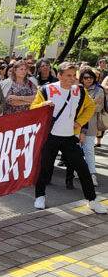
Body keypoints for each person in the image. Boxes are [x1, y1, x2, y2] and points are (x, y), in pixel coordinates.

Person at [31, 62, 106, 214]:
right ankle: (40, 196)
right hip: (50, 136)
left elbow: (90, 107)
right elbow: (32, 109)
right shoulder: (46, 90)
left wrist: (79, 122)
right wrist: (44, 104)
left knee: (83, 170)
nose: (72, 79)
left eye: (74, 75)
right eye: (68, 75)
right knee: (44, 169)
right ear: (59, 75)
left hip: (69, 137)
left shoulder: (79, 91)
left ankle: (92, 200)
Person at [66, 68, 104, 188]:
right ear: (81, 78)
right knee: (77, 150)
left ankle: (92, 174)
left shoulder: (99, 90)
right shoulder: (76, 88)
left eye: (91, 78)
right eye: (86, 77)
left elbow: (98, 108)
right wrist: (92, 103)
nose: (88, 80)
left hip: (90, 124)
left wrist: (89, 105)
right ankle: (79, 172)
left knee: (88, 149)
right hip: (75, 124)